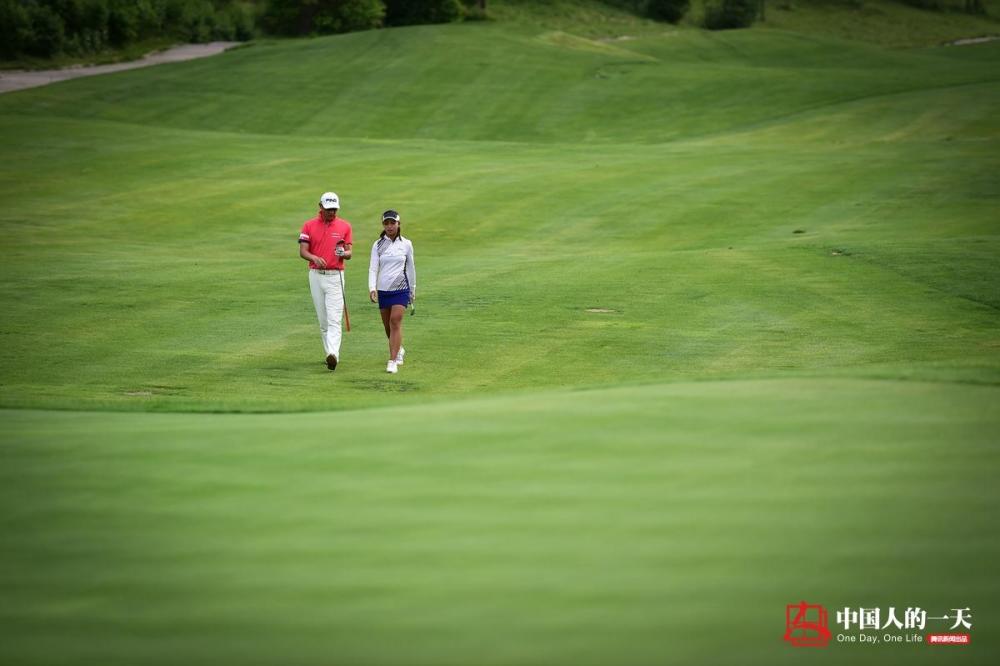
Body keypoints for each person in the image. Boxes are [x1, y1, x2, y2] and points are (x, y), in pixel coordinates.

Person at [299, 191, 353, 371]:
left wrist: (343, 253)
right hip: (315, 276)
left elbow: (349, 252)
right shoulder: (308, 226)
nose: (332, 212)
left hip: (335, 276)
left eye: (335, 209)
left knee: (334, 319)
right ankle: (329, 353)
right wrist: (314, 258)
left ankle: (333, 354)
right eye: (329, 209)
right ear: (320, 207)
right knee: (323, 321)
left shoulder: (345, 226)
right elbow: (303, 251)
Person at [368, 209, 415, 374]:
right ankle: (399, 349)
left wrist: (412, 290)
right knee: (388, 327)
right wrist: (372, 288)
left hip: (401, 288)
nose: (389, 226)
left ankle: (392, 360)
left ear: (398, 224)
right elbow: (373, 268)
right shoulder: (378, 245)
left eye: (392, 223)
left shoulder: (406, 244)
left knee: (395, 321)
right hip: (383, 289)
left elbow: (410, 269)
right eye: (386, 223)